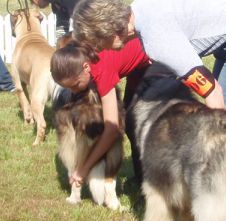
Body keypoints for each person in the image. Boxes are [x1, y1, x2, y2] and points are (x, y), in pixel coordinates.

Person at [71, 0, 226, 121]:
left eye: (96, 43)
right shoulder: (140, 8)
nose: (99, 50)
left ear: (107, 30)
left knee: (225, 128)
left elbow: (213, 92)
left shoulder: (156, 37)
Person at [50, 37, 151, 188]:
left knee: (139, 123)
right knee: (131, 117)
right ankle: (140, 178)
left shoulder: (102, 70)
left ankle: (149, 182)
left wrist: (84, 169)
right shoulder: (77, 51)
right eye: (69, 88)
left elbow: (112, 129)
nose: (74, 92)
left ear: (86, 67)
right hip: (137, 65)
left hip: (154, 57)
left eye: (76, 84)